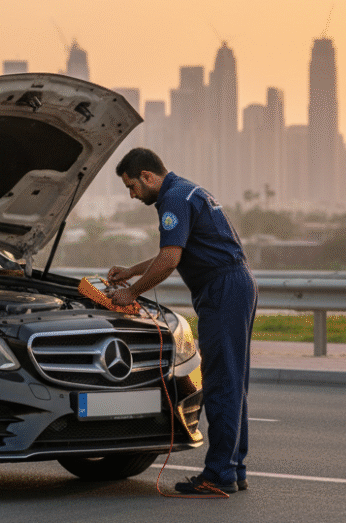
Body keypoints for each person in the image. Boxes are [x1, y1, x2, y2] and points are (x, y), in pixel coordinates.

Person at [108, 147, 257, 496]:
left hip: (222, 289)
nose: (132, 195)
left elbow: (171, 259)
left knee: (220, 383)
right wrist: (131, 271)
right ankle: (234, 469)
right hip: (235, 284)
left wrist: (131, 293)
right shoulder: (187, 190)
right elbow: (174, 250)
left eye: (132, 186)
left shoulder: (173, 199)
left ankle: (218, 475)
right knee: (233, 382)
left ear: (147, 176)